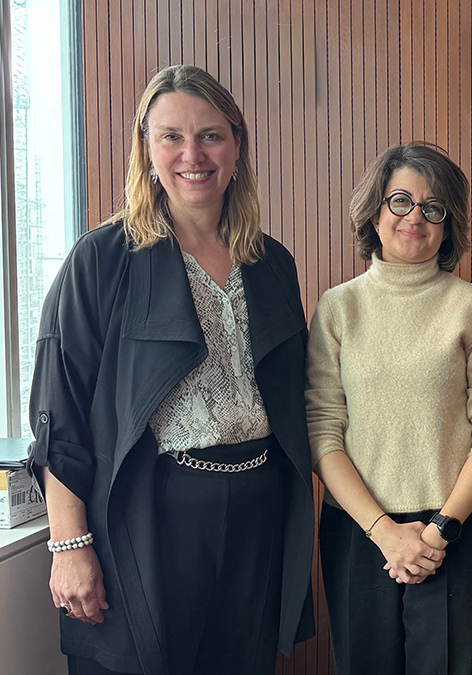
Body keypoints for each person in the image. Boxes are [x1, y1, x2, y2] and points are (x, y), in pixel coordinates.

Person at [26, 64, 314, 675]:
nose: (192, 154)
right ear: (145, 148)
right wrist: (69, 545)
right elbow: (61, 413)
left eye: (210, 135)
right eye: (171, 137)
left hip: (259, 510)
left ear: (236, 144)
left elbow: (297, 399)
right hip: (149, 512)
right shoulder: (101, 260)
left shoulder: (271, 264)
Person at [306, 141, 472, 674]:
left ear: (448, 225)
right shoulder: (337, 308)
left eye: (433, 206)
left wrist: (439, 530)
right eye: (400, 200)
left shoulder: (470, 305)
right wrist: (384, 533)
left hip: (456, 532)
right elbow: (322, 433)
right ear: (374, 211)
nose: (415, 217)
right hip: (359, 532)